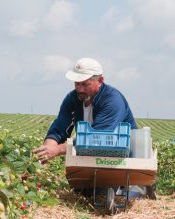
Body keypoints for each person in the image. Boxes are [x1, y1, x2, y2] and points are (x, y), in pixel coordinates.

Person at [33, 57, 152, 198]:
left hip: (121, 156)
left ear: (100, 81)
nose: (79, 89)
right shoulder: (73, 99)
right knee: (84, 192)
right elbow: (59, 128)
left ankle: (135, 187)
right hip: (92, 156)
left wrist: (58, 149)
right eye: (77, 83)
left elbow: (97, 139)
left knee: (114, 194)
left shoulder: (112, 100)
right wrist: (46, 151)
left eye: (85, 84)